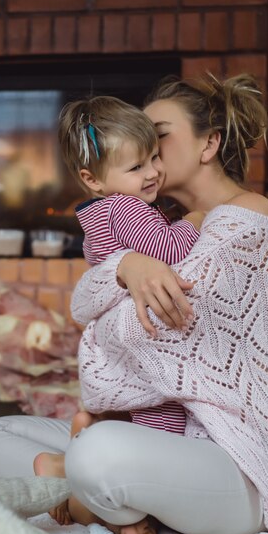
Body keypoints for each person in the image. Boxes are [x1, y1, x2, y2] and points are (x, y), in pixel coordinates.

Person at [0, 73, 268, 534]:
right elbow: (83, 302)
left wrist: (118, 286)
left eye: (159, 134)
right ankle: (97, 496)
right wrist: (126, 267)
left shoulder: (246, 221)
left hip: (236, 462)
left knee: (96, 449)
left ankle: (86, 494)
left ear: (209, 143)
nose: (146, 147)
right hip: (162, 437)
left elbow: (125, 334)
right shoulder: (156, 224)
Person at [59, 95, 205, 434]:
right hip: (145, 333)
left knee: (134, 411)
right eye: (136, 167)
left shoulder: (95, 218)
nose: (153, 172)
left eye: (154, 157)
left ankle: (89, 443)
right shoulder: (126, 207)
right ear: (92, 179)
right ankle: (136, 470)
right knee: (161, 418)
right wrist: (195, 220)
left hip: (117, 342)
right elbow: (167, 249)